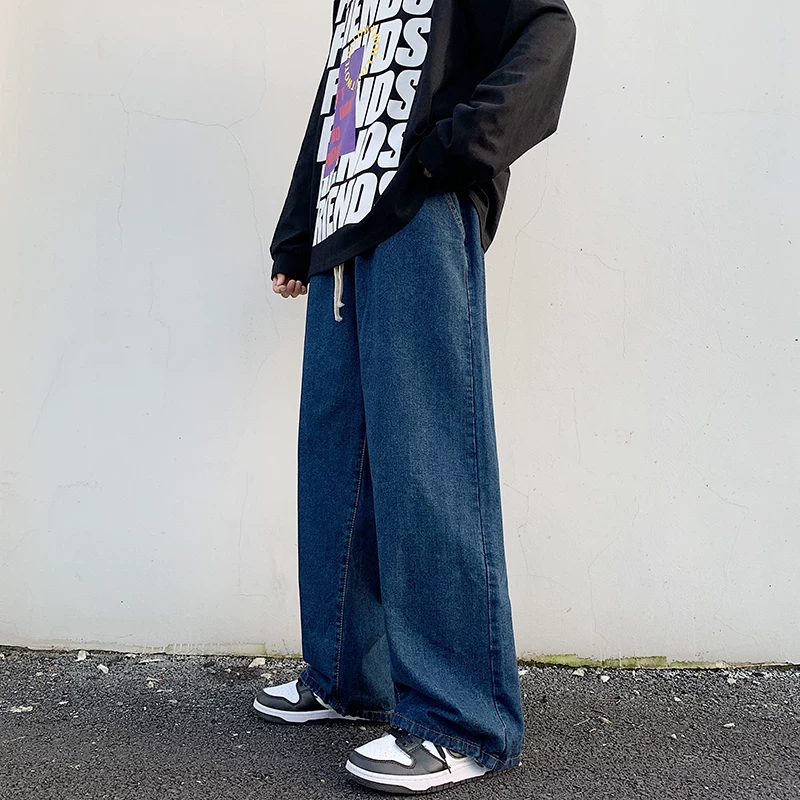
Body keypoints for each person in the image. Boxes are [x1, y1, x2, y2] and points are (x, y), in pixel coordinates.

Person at [253, 0, 576, 793]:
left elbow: (547, 33)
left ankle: (461, 719)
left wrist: (450, 150)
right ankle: (345, 677)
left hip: (419, 216)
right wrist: (299, 231)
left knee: (426, 457)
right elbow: (341, 97)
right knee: (337, 462)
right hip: (344, 228)